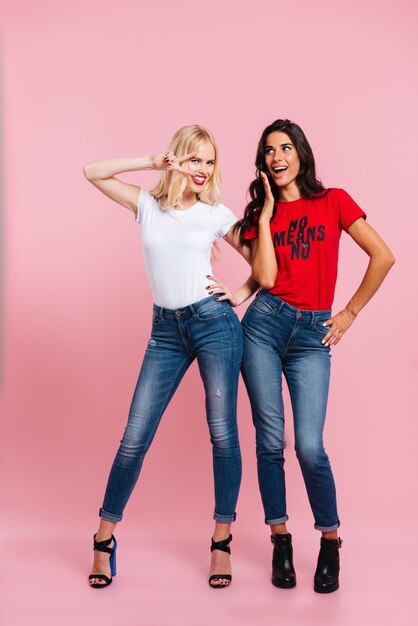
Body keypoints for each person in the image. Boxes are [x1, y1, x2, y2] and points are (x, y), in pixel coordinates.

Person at [84, 125, 257, 589]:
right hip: (164, 330)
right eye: (195, 159)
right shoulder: (148, 206)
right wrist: (150, 161)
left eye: (209, 161)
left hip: (213, 325)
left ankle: (221, 543)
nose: (203, 169)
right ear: (178, 158)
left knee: (222, 434)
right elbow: (91, 172)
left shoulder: (216, 214)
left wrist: (239, 294)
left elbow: (267, 261)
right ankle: (104, 542)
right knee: (134, 438)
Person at [236, 119, 395, 593]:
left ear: (301, 153)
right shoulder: (255, 216)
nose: (277, 157)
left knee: (309, 445)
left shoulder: (334, 201)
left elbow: (382, 256)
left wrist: (349, 312)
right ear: (262, 162)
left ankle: (329, 540)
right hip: (263, 326)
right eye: (268, 151)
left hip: (312, 336)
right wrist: (263, 219)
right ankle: (280, 540)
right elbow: (263, 278)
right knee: (270, 441)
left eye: (285, 148)